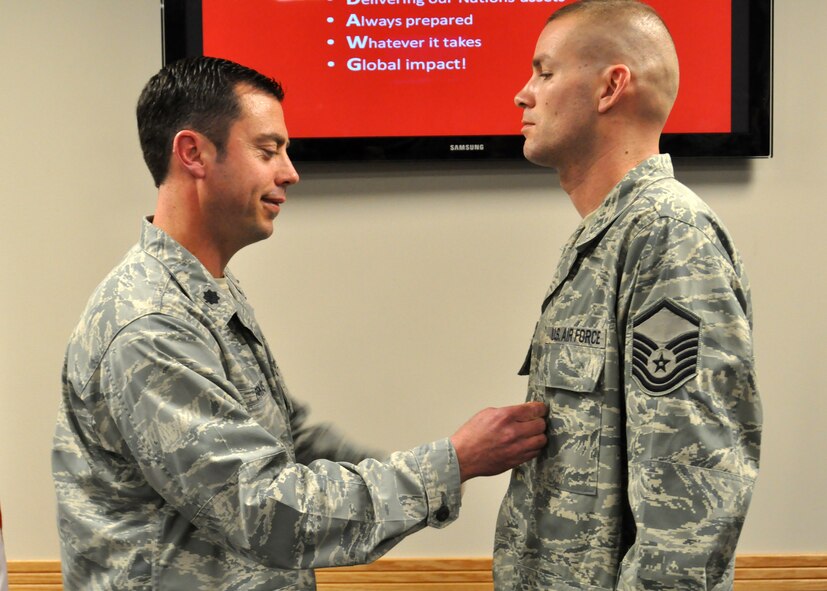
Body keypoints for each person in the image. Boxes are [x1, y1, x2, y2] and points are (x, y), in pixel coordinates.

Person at [52, 56, 548, 590]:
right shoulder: (149, 324)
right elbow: (264, 509)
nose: (289, 172)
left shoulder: (203, 293)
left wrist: (436, 466)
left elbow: (287, 445)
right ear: (193, 153)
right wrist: (453, 462)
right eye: (267, 151)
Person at [494, 1, 762, 589]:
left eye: (544, 71)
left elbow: (692, 495)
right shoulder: (609, 235)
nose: (523, 94)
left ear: (611, 86)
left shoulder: (669, 235)